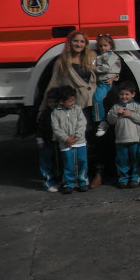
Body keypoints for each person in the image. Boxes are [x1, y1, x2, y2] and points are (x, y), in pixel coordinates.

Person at [41, 31, 100, 186]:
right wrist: (42, 109)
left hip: (93, 106)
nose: (79, 44)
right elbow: (53, 84)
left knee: (93, 141)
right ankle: (72, 178)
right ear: (69, 42)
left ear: (86, 44)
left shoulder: (92, 57)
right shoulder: (62, 62)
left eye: (82, 42)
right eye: (76, 41)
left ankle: (94, 174)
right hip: (75, 108)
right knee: (77, 142)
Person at [105, 81, 140, 188]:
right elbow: (110, 121)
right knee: (122, 160)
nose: (124, 97)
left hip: (134, 139)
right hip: (120, 139)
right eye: (122, 94)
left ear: (133, 94)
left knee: (135, 159)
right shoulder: (115, 107)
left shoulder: (136, 106)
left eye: (127, 94)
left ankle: (135, 176)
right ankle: (123, 177)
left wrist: (131, 114)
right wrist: (115, 113)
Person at [51, 85, 89, 193]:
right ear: (62, 102)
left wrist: (78, 136)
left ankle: (83, 182)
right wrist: (66, 138)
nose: (73, 103)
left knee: (82, 161)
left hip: (79, 141)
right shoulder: (55, 113)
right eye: (70, 101)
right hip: (65, 143)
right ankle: (69, 183)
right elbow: (56, 128)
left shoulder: (77, 109)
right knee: (68, 164)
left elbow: (82, 123)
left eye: (73, 100)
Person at [93, 35, 121, 135]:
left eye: (105, 45)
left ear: (111, 46)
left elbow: (107, 68)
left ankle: (102, 121)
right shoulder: (101, 56)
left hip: (105, 82)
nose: (103, 48)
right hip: (103, 81)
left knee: (97, 99)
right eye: (100, 46)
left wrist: (94, 68)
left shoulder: (111, 56)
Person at [36, 88, 61, 192]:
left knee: (58, 163)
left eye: (55, 102)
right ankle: (49, 182)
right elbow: (39, 129)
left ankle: (59, 181)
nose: (52, 104)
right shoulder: (46, 114)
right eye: (50, 102)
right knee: (47, 163)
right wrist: (40, 140)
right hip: (46, 142)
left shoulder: (61, 112)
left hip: (58, 142)